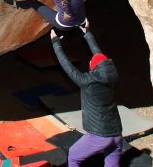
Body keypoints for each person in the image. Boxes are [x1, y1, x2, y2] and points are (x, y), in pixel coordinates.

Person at [50, 28, 123, 166]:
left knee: (73, 156)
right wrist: (87, 33)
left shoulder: (87, 82)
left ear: (94, 69)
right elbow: (99, 56)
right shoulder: (111, 76)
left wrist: (55, 42)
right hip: (116, 133)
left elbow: (67, 65)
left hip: (99, 135)